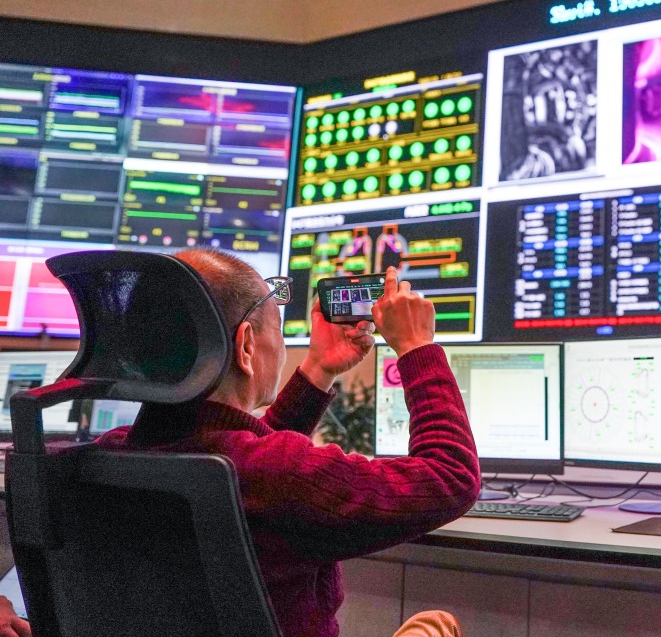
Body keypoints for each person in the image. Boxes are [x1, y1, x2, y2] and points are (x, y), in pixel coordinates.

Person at [94, 249, 481, 637]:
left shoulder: (106, 457)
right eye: (277, 329)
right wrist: (417, 349)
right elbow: (450, 476)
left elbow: (241, 455)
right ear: (247, 346)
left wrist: (319, 368)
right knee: (436, 626)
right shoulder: (270, 475)